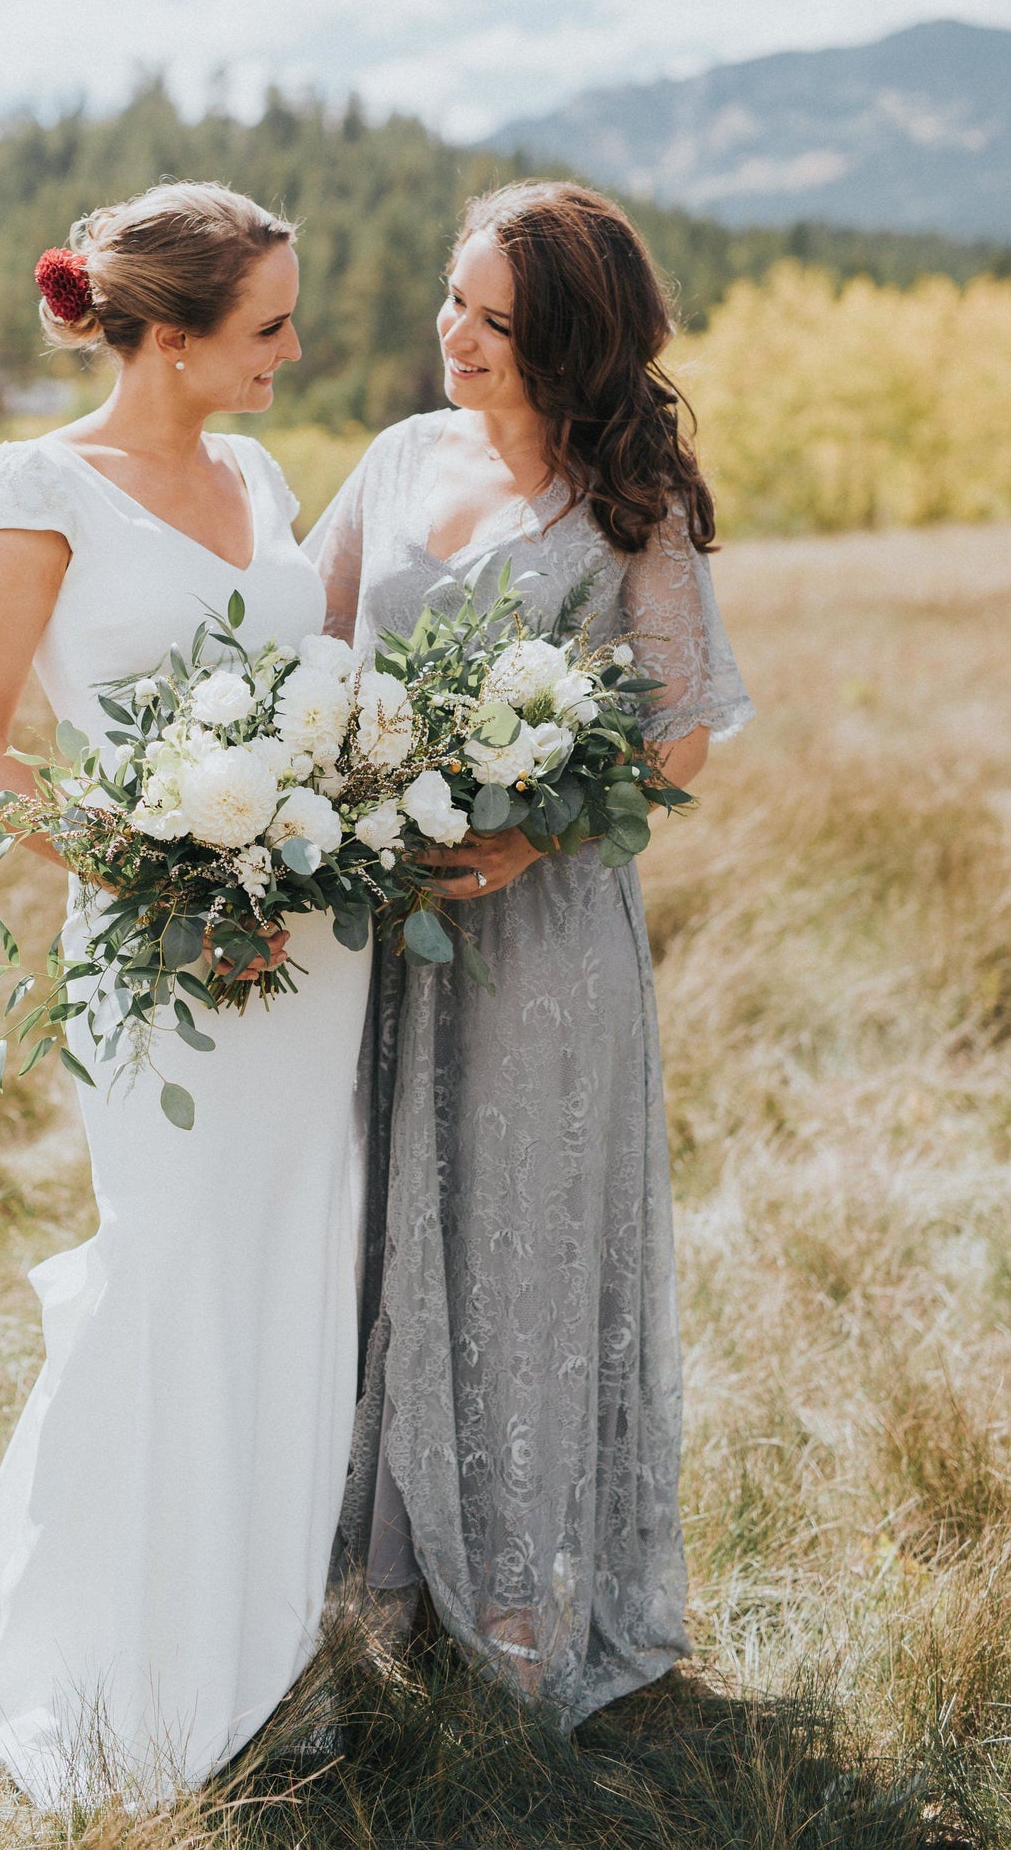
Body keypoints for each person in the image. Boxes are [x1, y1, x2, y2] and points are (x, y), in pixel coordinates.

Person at [0, 183, 371, 1807]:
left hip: (313, 947)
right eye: (264, 327)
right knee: (175, 1261)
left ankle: (263, 1644)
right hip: (154, 955)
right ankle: (119, 1668)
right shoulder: (38, 485)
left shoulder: (256, 471)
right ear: (167, 339)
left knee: (291, 1263)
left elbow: (310, 681)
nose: (291, 352)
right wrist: (163, 880)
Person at [309, 180, 753, 1727]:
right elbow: (301, 647)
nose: (456, 337)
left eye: (497, 321)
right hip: (385, 926)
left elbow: (682, 729)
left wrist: (528, 839)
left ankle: (519, 1585)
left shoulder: (623, 496)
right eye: (451, 300)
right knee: (374, 1220)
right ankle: (381, 1571)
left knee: (521, 1244)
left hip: (543, 930)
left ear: (567, 344)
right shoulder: (390, 460)